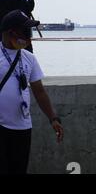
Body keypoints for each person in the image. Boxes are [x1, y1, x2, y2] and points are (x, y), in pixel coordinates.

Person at [0, 10, 63, 174]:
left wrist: (53, 118)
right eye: (25, 31)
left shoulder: (29, 57)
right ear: (9, 32)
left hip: (22, 127)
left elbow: (39, 91)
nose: (28, 36)